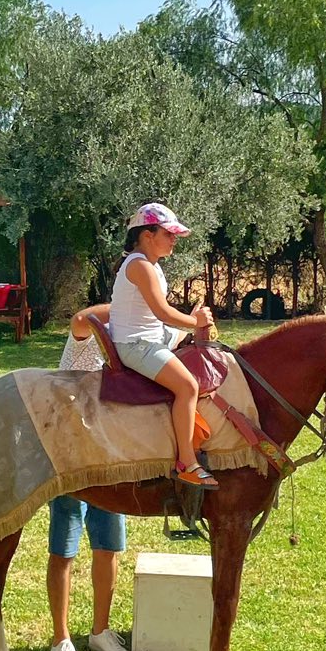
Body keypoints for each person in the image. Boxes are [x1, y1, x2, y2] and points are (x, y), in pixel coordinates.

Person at [46, 303, 131, 651]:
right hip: (71, 455)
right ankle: (60, 640)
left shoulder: (135, 337)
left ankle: (100, 631)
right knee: (64, 548)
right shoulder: (89, 335)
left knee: (109, 545)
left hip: (109, 455)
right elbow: (79, 321)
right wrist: (130, 302)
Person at [108, 202, 217, 489]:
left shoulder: (149, 264)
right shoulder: (140, 266)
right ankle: (187, 462)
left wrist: (193, 328)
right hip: (136, 344)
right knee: (187, 386)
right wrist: (195, 321)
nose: (173, 240)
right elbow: (163, 312)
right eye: (168, 234)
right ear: (147, 235)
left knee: (203, 349)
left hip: (153, 335)